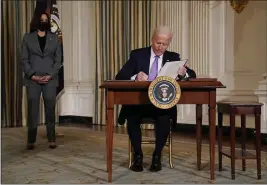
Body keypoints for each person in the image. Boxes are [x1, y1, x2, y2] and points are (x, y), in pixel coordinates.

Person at [115, 26, 196, 172]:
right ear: (152, 40)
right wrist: (135, 77)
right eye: (158, 43)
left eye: (164, 44)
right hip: (139, 102)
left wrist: (183, 74)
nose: (161, 47)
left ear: (169, 43)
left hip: (161, 104)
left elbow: (192, 75)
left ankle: (157, 156)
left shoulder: (173, 57)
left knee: (164, 117)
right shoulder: (137, 55)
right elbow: (120, 76)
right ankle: (138, 155)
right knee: (132, 116)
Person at [21, 12, 62, 150]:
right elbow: (24, 60)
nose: (43, 22)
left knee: (50, 110)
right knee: (32, 111)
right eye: (41, 20)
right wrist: (32, 75)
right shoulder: (27, 38)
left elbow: (58, 60)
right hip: (33, 79)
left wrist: (50, 75)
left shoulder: (55, 38)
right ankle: (31, 140)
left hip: (50, 79)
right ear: (36, 22)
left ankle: (51, 139)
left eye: (46, 20)